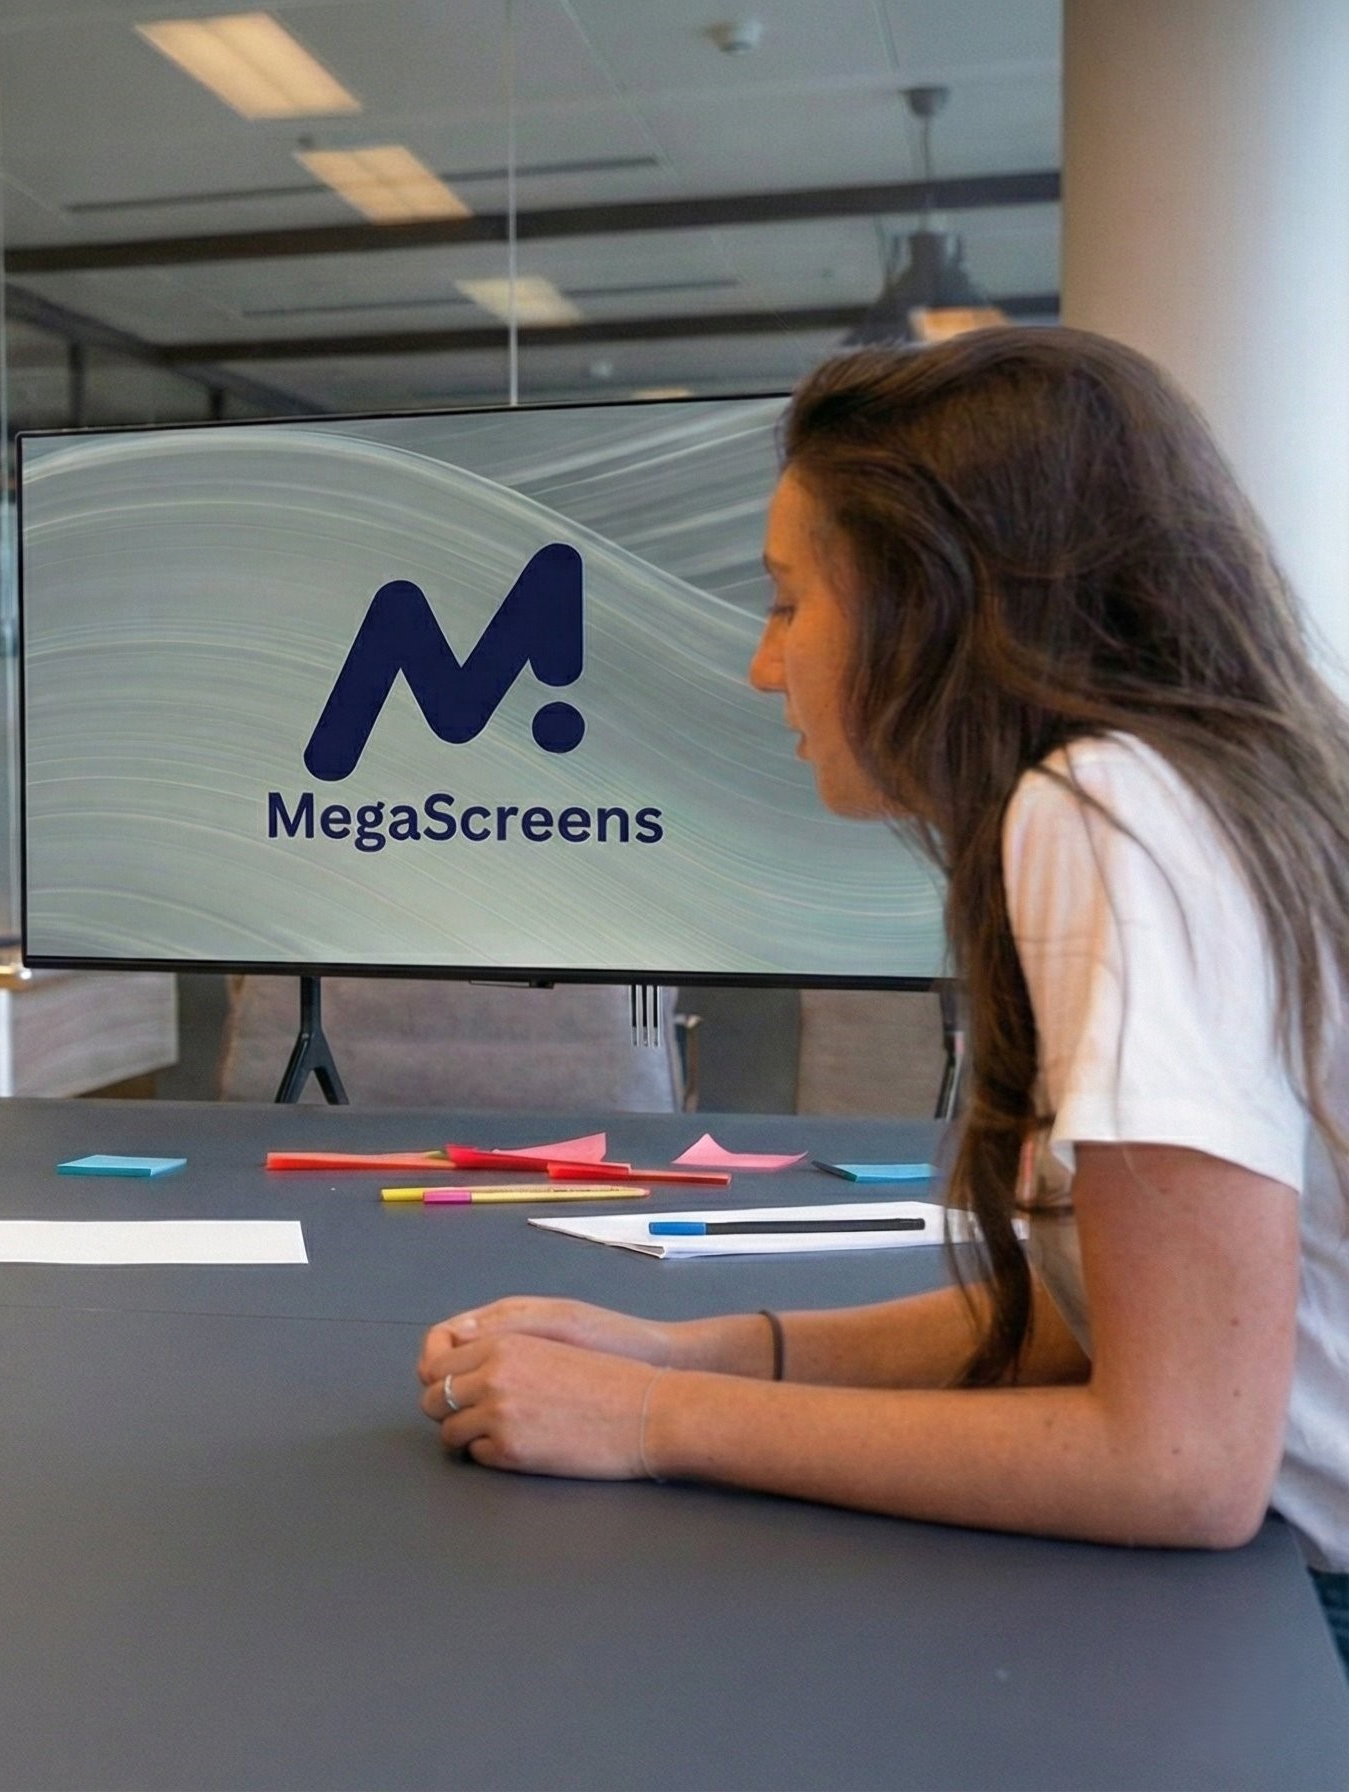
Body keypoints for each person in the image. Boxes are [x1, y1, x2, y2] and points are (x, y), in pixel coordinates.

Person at [416, 327, 1349, 1653]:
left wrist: (647, 1422)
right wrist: (681, 1354)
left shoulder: (1107, 809)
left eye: (792, 601)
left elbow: (1180, 1462)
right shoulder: (1184, 791)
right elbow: (1100, 1335)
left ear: (939, 600)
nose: (762, 662)